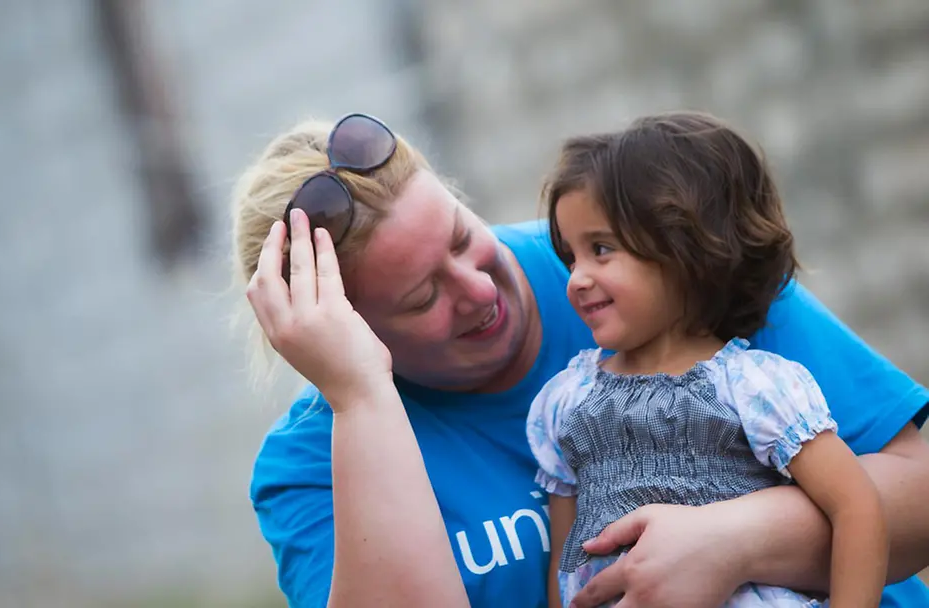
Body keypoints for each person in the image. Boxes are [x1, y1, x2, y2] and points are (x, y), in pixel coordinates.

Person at [233, 112, 929, 608]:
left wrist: (735, 539)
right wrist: (362, 399)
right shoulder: (311, 469)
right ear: (346, 332)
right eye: (423, 299)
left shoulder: (646, 256)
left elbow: (918, 492)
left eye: (460, 237)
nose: (479, 289)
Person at [528, 112, 887, 608]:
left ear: (684, 248)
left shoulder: (752, 386)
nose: (576, 279)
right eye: (571, 257)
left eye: (601, 249)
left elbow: (856, 506)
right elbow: (565, 566)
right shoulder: (566, 403)